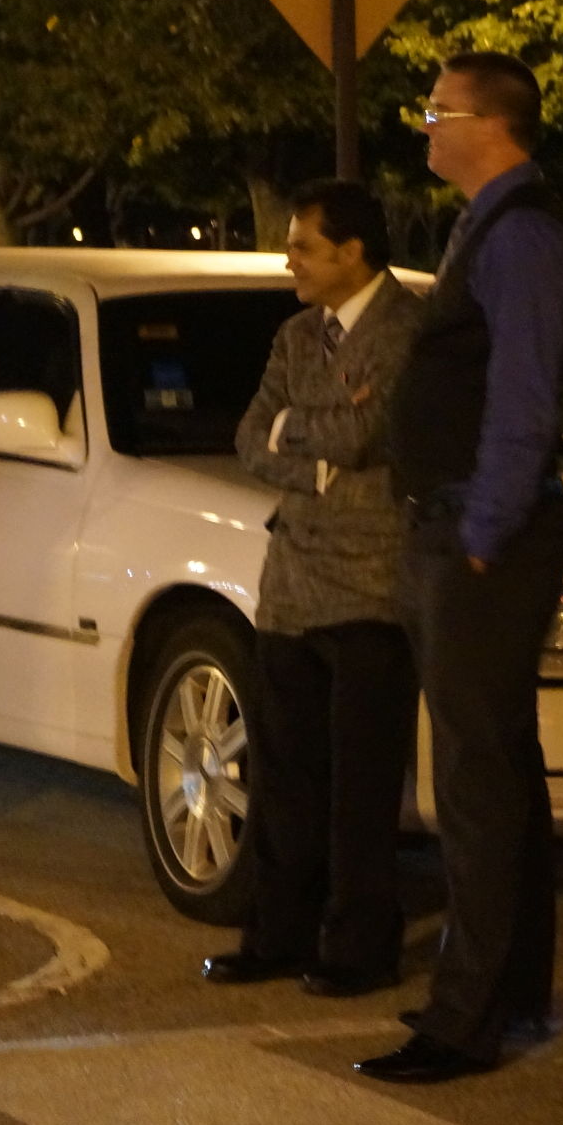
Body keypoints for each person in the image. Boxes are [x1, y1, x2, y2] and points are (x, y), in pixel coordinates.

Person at [356, 52, 563, 1084]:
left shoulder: (524, 234)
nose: (425, 129)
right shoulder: (488, 226)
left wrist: (485, 531)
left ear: (489, 123)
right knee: (495, 770)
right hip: (456, 525)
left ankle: (467, 1018)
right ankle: (509, 992)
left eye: (436, 111)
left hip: (481, 534)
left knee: (476, 780)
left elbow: (524, 396)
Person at [204, 179, 424, 997]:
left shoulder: (406, 330)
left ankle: (359, 945)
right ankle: (275, 932)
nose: (288, 259)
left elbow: (372, 434)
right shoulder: (297, 336)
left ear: (352, 253)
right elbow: (247, 438)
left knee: (359, 784)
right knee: (285, 770)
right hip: (291, 581)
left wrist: (299, 431)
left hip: (372, 581)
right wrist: (312, 440)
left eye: (303, 246)